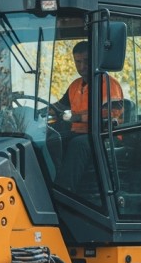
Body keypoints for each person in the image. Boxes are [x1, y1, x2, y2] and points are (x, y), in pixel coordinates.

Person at [51, 41, 124, 187]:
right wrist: (38, 110)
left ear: (95, 59)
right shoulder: (75, 85)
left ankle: (66, 189)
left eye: (86, 61)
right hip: (79, 133)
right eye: (78, 62)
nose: (82, 66)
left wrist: (77, 117)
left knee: (78, 145)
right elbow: (59, 107)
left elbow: (110, 115)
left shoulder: (109, 84)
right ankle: (50, 184)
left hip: (105, 135)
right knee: (52, 140)